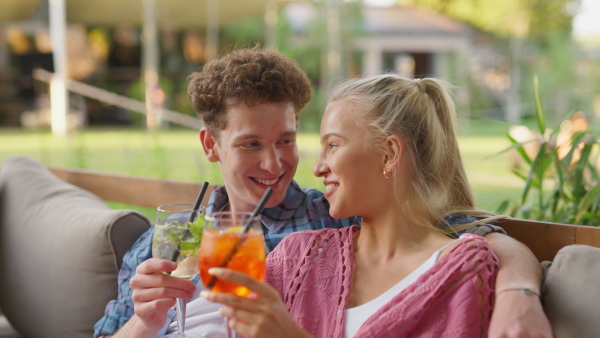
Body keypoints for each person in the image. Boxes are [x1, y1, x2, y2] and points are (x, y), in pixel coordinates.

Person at [94, 48, 551, 338]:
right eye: (252, 144)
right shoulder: (167, 242)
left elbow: (474, 238)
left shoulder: (334, 218)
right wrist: (144, 322)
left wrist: (518, 292)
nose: (277, 165)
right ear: (210, 146)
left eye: (287, 141)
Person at [200, 74, 502, 336]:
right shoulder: (296, 256)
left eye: (332, 145)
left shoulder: (461, 270)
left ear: (389, 154)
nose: (317, 168)